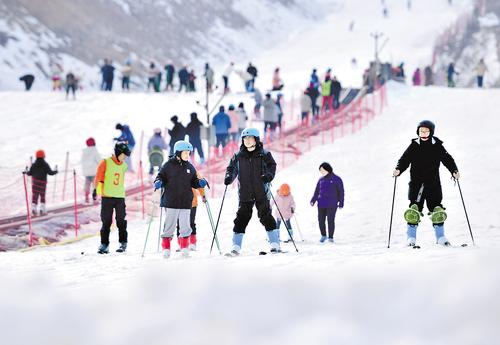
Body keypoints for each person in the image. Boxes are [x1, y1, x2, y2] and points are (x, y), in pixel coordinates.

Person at [393, 120, 460, 247]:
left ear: (431, 132)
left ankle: (440, 237)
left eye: (426, 131)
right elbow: (404, 159)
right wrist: (398, 169)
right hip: (416, 185)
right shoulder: (414, 145)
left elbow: (447, 159)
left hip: (433, 184)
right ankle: (411, 238)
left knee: (437, 211)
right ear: (418, 132)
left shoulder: (437, 145)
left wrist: (454, 170)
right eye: (421, 131)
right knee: (414, 211)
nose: (423, 133)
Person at [224, 128, 280, 255]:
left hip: (261, 192)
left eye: (250, 138)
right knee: (241, 218)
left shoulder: (264, 154)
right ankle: (236, 246)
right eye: (245, 139)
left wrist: (268, 176)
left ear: (256, 140)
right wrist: (229, 177)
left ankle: (275, 243)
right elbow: (231, 169)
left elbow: (272, 166)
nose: (247, 141)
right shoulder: (238, 156)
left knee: (266, 217)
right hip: (245, 193)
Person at [154, 141, 208, 258]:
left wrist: (200, 183)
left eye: (189, 153)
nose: (188, 155)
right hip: (171, 201)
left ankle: (184, 247)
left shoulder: (190, 167)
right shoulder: (168, 165)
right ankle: (166, 248)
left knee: (185, 225)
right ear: (178, 152)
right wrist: (159, 182)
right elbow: (160, 176)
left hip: (185, 201)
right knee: (170, 225)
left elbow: (194, 181)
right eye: (185, 153)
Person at [93, 142, 130, 254]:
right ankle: (104, 244)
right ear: (118, 153)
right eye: (124, 155)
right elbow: (99, 176)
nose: (125, 158)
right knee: (106, 222)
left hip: (119, 197)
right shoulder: (106, 162)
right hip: (107, 197)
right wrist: (95, 189)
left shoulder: (124, 166)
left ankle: (123, 243)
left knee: (121, 221)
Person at [310, 162, 344, 243]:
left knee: (330, 220)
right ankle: (323, 235)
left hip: (332, 204)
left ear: (327, 169)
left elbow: (341, 192)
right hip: (321, 203)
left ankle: (330, 237)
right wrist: (313, 200)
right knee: (320, 220)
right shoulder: (321, 180)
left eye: (322, 170)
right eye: (320, 171)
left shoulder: (336, 179)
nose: (321, 172)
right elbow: (317, 191)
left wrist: (341, 202)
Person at [26, 150, 58, 216]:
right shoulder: (45, 164)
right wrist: (55, 171)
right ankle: (42, 209)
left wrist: (26, 171)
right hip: (43, 183)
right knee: (42, 195)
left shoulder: (34, 165)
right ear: (43, 156)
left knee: (35, 195)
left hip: (35, 182)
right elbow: (50, 173)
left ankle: (34, 208)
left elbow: (30, 173)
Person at [176, 183, 205, 251]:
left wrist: (203, 195)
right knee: (179, 224)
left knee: (191, 222)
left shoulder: (193, 172)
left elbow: (199, 183)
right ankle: (181, 243)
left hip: (191, 202)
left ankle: (192, 243)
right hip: (177, 203)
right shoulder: (173, 172)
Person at [81, 137, 101, 203]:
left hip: (86, 172)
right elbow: (99, 160)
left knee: (87, 186)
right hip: (94, 172)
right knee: (95, 186)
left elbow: (82, 161)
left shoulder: (84, 151)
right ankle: (95, 200)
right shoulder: (94, 150)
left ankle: (86, 199)